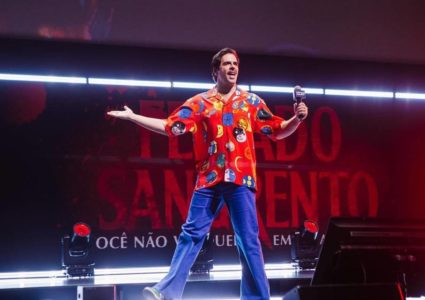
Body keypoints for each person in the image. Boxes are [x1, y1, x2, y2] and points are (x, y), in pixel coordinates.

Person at [107, 48, 308, 300]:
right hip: (209, 179)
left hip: (240, 178)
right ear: (216, 71)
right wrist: (133, 116)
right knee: (190, 234)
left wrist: (297, 120)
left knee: (248, 241)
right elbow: (171, 127)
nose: (232, 67)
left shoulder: (251, 102)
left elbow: (277, 129)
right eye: (226, 64)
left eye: (235, 63)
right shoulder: (200, 103)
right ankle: (166, 292)